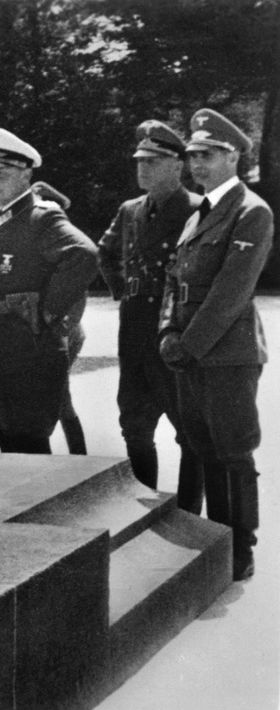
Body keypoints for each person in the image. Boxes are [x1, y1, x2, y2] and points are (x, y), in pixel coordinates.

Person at [159, 108, 273, 581]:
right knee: (201, 444)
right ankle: (216, 539)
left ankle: (240, 546)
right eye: (192, 156)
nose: (197, 165)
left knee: (233, 451)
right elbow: (174, 280)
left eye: (207, 155)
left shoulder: (251, 211)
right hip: (189, 350)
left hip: (227, 354)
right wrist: (167, 330)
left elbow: (232, 291)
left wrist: (190, 343)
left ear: (233, 157)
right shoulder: (198, 213)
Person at [0, 128, 97, 454]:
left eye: (2, 173)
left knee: (29, 450)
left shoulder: (40, 216)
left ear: (26, 174)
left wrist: (49, 310)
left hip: (25, 353)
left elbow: (84, 254)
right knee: (9, 444)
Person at [98, 120, 202, 507]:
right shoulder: (130, 210)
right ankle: (145, 509)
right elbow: (105, 251)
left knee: (189, 431)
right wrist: (123, 288)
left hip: (176, 332)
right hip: (135, 331)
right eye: (140, 161)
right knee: (135, 427)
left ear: (178, 166)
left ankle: (191, 515)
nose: (143, 168)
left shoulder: (197, 209)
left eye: (154, 162)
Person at [32, 180, 87, 455]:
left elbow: (76, 302)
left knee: (60, 400)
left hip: (61, 333)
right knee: (54, 400)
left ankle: (79, 462)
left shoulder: (66, 246)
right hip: (40, 331)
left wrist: (59, 332)